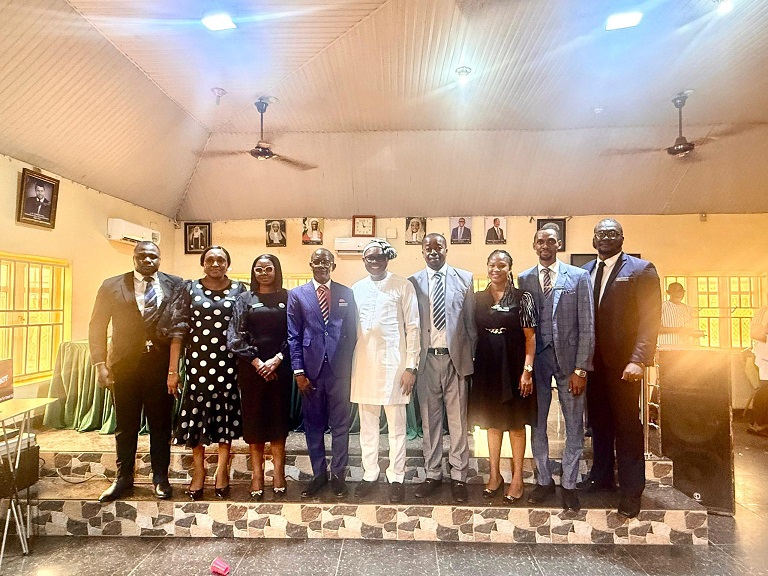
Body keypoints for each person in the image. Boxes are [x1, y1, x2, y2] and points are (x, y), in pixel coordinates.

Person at [88, 241, 183, 502]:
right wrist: (99, 364)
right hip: (124, 367)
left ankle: (160, 478)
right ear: (134, 258)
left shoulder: (176, 284)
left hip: (160, 367)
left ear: (160, 259)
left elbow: (181, 325)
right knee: (126, 426)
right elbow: (97, 326)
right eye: (142, 256)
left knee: (161, 426)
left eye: (153, 256)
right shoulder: (111, 285)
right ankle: (123, 478)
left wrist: (175, 368)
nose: (147, 260)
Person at [579, 218, 661, 519]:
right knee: (598, 423)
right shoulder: (585, 271)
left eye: (612, 233)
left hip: (625, 365)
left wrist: (638, 359)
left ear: (622, 238)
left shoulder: (641, 270)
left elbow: (650, 319)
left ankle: (631, 490)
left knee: (627, 427)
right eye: (600, 234)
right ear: (593, 239)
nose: (606, 238)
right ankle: (601, 476)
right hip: (592, 364)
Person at [518, 228, 594, 511]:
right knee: (537, 423)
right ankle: (543, 480)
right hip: (537, 361)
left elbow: (587, 325)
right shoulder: (524, 278)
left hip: (570, 362)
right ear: (534, 245)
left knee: (574, 423)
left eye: (551, 241)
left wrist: (581, 368)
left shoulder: (578, 277)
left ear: (559, 244)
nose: (545, 245)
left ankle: (570, 484)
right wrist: (525, 367)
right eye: (540, 241)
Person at [164, 246, 245, 500]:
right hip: (198, 365)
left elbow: (243, 328)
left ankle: (222, 471)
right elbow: (178, 331)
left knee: (224, 418)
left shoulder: (239, 290)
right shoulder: (189, 289)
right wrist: (173, 370)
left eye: (221, 260)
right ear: (203, 263)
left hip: (229, 364)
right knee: (196, 418)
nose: (216, 264)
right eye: (210, 260)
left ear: (228, 264)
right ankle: (199, 471)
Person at [408, 233, 477, 503]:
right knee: (430, 421)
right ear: (422, 251)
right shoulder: (412, 282)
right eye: (428, 248)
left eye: (439, 247)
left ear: (447, 249)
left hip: (455, 360)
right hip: (426, 361)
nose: (434, 251)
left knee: (458, 421)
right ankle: (432, 474)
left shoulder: (465, 279)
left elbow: (471, 325)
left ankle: (459, 475)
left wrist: (470, 361)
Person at [351, 239, 420, 503]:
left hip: (395, 366)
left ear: (387, 259)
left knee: (397, 428)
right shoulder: (356, 289)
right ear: (364, 261)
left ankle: (396, 476)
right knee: (368, 425)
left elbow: (413, 327)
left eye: (380, 257)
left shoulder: (403, 285)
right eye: (370, 258)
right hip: (365, 364)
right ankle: (370, 474)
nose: (375, 262)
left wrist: (411, 366)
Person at [287, 248, 357, 498]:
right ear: (310, 265)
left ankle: (338, 475)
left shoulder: (346, 293)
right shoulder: (297, 294)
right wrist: (299, 371)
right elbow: (294, 335)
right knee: (313, 426)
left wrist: (349, 368)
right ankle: (319, 475)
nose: (321, 265)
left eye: (326, 262)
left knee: (340, 425)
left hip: (339, 371)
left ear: (333, 266)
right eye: (317, 261)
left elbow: (352, 334)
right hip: (311, 371)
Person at [469, 249, 537, 504]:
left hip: (515, 363)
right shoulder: (478, 297)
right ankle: (495, 475)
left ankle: (517, 478)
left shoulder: (523, 297)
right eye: (492, 265)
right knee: (492, 422)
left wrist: (527, 371)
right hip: (487, 365)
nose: (496, 269)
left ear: (510, 268)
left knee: (516, 423)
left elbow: (530, 337)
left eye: (501, 265)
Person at [228, 254, 292, 499]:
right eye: (259, 269)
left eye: (268, 268)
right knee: (254, 423)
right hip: (251, 369)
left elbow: (294, 333)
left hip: (280, 369)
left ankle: (279, 474)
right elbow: (234, 337)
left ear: (277, 270)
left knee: (278, 422)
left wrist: (277, 360)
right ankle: (257, 475)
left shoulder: (288, 298)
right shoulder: (244, 299)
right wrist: (256, 362)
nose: (264, 273)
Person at [748, 304, 768, 436]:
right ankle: (757, 424)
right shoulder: (764, 311)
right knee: (765, 390)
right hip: (764, 358)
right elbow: (755, 333)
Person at [658, 282, 698, 347]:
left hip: (684, 346)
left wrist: (695, 333)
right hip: (666, 346)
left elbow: (689, 328)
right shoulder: (662, 307)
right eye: (676, 291)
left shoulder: (687, 309)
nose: (679, 294)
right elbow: (657, 329)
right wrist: (678, 329)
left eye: (681, 291)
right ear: (668, 292)